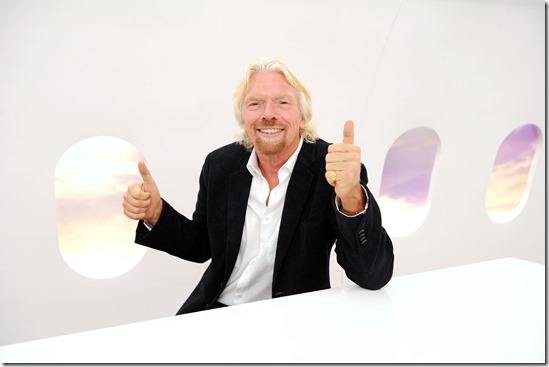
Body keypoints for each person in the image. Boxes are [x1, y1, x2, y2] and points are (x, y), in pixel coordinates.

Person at [123, 58, 394, 314]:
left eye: (282, 102)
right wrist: (156, 213)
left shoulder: (332, 169)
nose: (268, 114)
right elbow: (201, 245)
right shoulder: (220, 165)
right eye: (255, 104)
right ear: (243, 117)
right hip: (214, 312)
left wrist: (352, 199)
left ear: (302, 117)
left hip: (292, 321)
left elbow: (372, 275)